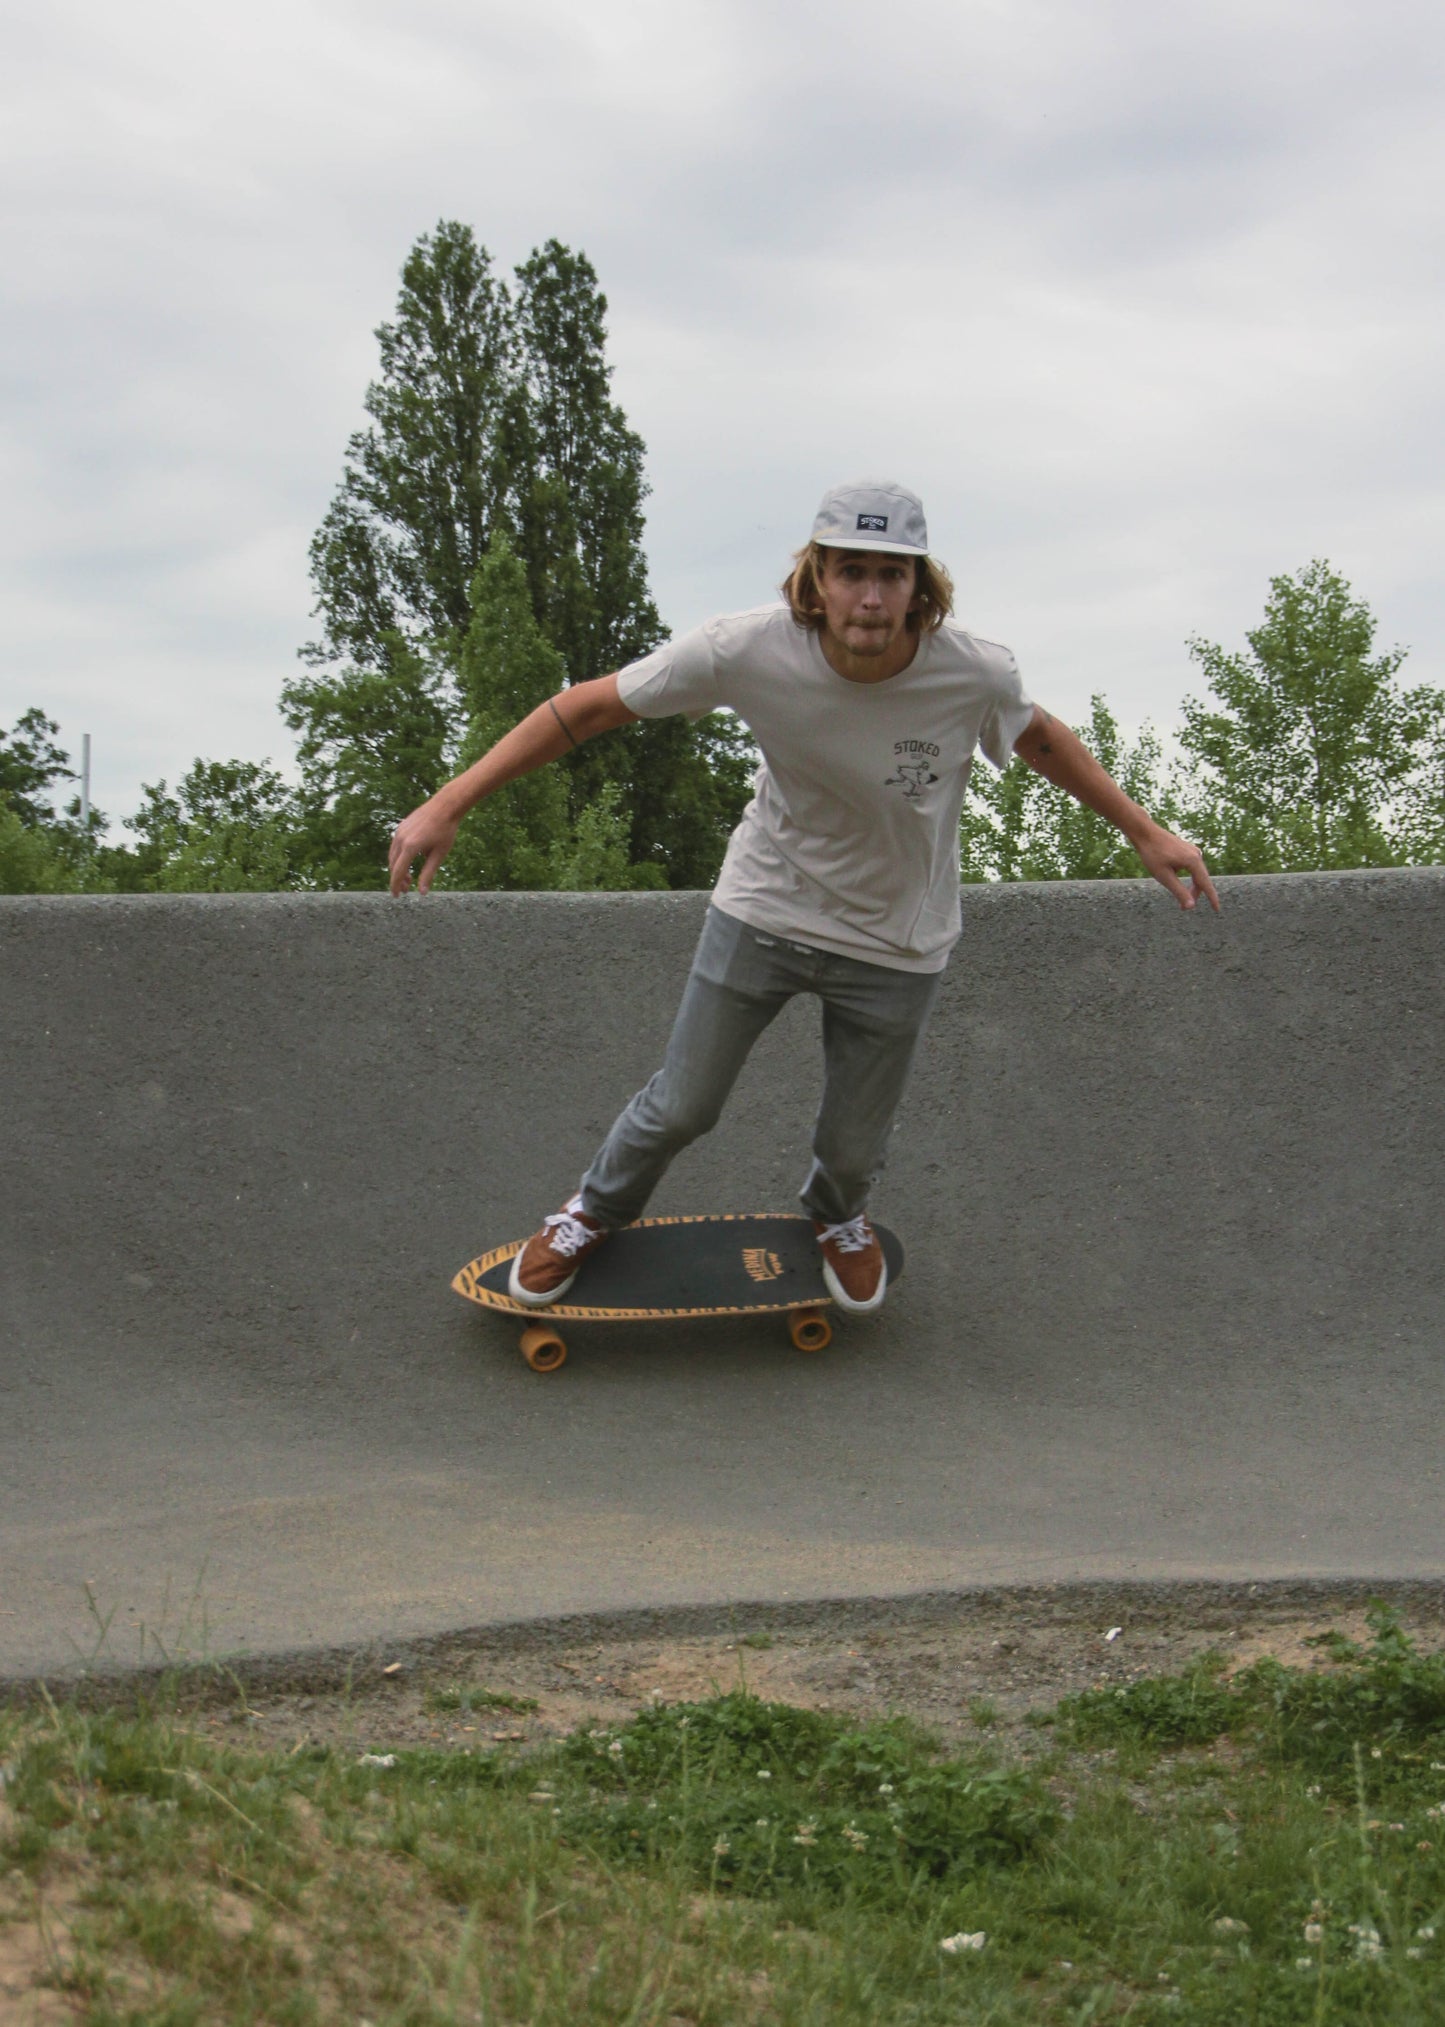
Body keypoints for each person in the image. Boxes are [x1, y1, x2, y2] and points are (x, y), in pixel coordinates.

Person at [389, 479, 1219, 1315]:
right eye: (849, 570)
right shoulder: (741, 648)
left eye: (890, 576)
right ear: (814, 578)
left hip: (898, 940)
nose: (868, 596)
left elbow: (1037, 736)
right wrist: (448, 800)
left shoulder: (973, 671)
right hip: (765, 908)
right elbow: (587, 709)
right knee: (682, 1105)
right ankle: (588, 1212)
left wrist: (1141, 829)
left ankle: (837, 1214)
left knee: (854, 1142)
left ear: (919, 587)